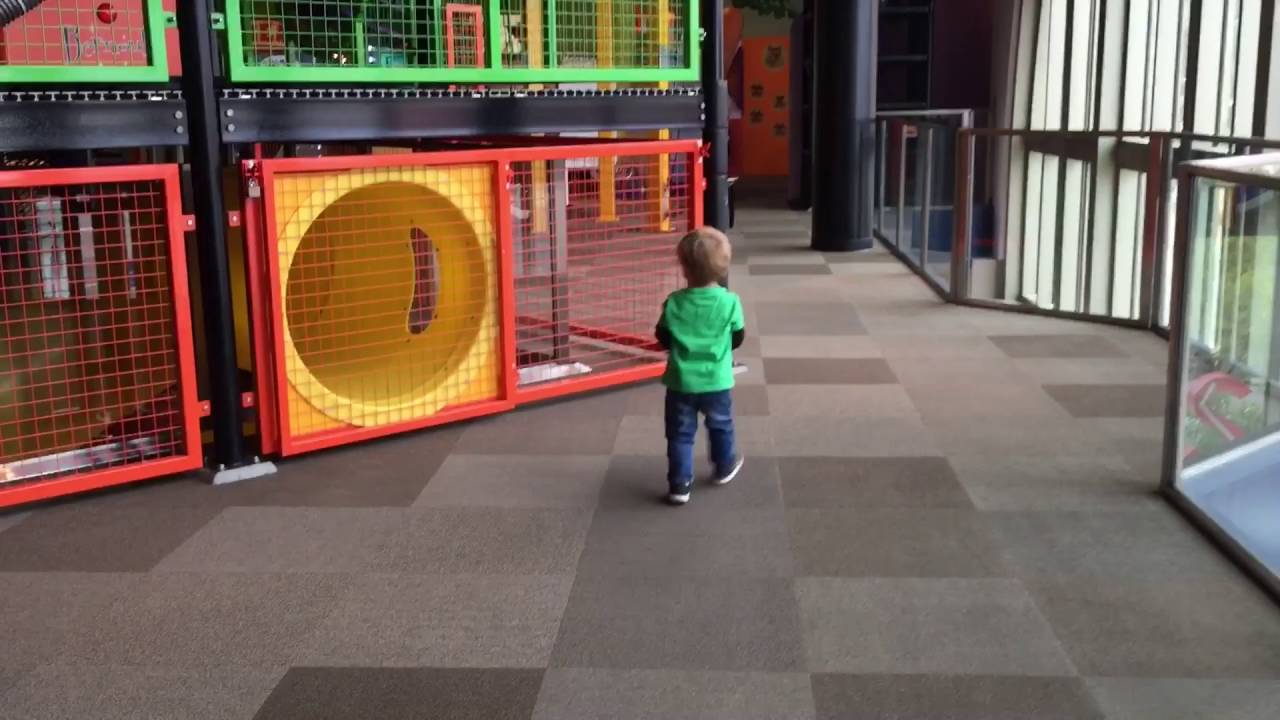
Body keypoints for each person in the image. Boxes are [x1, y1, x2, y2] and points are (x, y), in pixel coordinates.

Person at [655, 227, 746, 505]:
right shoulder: (730, 302)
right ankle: (723, 465)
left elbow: (663, 338)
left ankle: (679, 484)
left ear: (685, 269)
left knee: (680, 434)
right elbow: (738, 338)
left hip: (680, 382)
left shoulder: (674, 302)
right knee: (721, 424)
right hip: (716, 381)